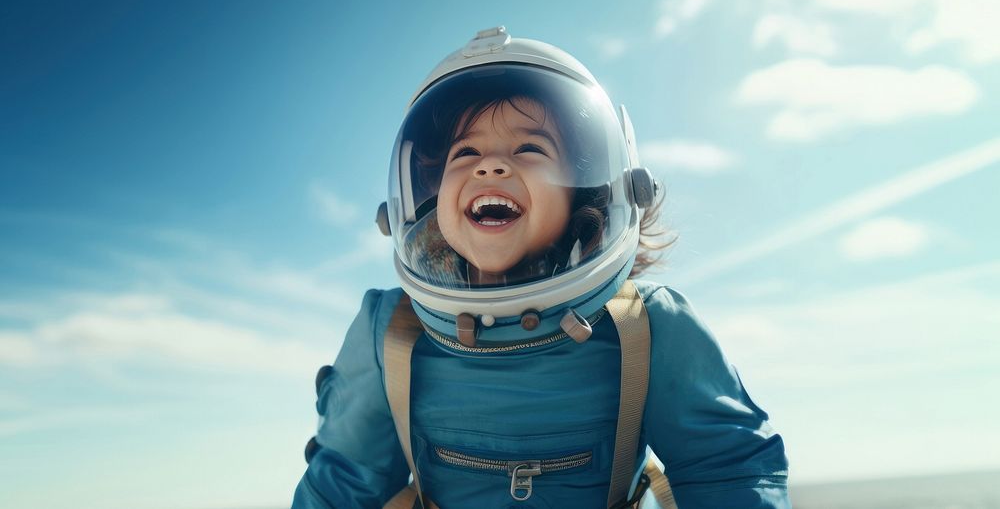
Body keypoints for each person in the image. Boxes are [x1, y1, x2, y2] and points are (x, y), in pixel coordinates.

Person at [292, 27, 790, 508]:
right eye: (465, 153)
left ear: (584, 193)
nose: (489, 167)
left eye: (529, 148)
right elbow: (344, 483)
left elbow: (725, 469)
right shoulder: (391, 332)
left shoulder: (648, 329)